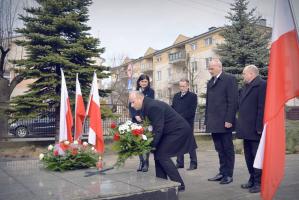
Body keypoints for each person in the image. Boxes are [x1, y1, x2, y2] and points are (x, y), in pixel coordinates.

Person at [129, 91, 197, 191]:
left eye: (133, 102)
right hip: (169, 132)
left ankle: (179, 185)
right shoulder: (146, 106)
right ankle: (161, 183)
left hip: (178, 131)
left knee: (162, 155)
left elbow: (158, 128)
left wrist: (152, 145)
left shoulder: (152, 106)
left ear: (140, 99)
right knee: (159, 155)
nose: (132, 105)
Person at [205, 58, 238, 184]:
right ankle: (222, 172)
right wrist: (207, 120)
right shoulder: (211, 82)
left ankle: (228, 175)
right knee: (219, 148)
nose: (210, 71)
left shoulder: (229, 79)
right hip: (214, 122)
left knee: (227, 148)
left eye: (212, 68)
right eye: (209, 68)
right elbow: (209, 103)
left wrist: (229, 119)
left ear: (219, 67)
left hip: (225, 122)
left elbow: (233, 101)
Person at [236, 65, 266, 193]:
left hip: (255, 129)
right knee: (248, 156)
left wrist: (259, 127)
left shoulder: (262, 85)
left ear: (252, 74)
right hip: (245, 128)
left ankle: (259, 183)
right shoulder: (246, 86)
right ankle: (252, 179)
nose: (243, 76)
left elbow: (261, 107)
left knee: (256, 156)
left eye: (244, 74)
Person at [129, 74, 155, 172]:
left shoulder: (151, 92)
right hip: (136, 120)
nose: (144, 83)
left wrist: (142, 116)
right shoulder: (134, 92)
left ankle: (146, 162)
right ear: (139, 82)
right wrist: (135, 115)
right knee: (138, 141)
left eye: (145, 81)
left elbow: (149, 104)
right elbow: (130, 105)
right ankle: (141, 161)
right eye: (142, 81)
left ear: (148, 83)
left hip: (146, 120)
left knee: (146, 141)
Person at [172, 79, 198, 170]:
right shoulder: (176, 96)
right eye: (180, 86)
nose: (182, 88)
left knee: (190, 143)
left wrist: (179, 118)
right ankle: (180, 163)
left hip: (188, 123)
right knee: (179, 142)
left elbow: (191, 111)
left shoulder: (193, 96)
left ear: (188, 86)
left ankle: (193, 163)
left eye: (183, 86)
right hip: (177, 124)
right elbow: (173, 109)